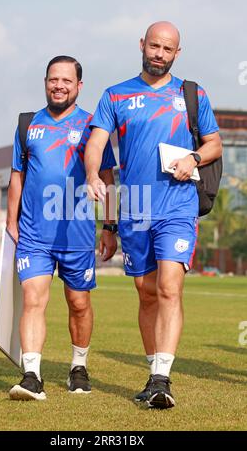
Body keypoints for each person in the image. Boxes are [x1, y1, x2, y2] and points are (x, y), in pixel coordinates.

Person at [85, 22, 222, 409]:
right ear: (142, 45)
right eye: (154, 46)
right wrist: (94, 176)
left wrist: (193, 157)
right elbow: (96, 142)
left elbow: (214, 144)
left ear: (177, 53)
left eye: (168, 49)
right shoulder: (116, 95)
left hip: (178, 208)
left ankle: (162, 378)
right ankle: (153, 374)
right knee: (145, 293)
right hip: (135, 211)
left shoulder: (192, 94)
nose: (159, 54)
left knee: (168, 288)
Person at [7, 56, 117, 401]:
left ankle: (78, 367)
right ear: (45, 82)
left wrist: (109, 226)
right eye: (54, 79)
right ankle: (31, 376)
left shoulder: (92, 126)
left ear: (79, 86)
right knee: (33, 299)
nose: (59, 86)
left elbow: (109, 179)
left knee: (79, 302)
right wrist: (11, 221)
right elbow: (17, 176)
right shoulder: (28, 124)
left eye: (67, 81)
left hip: (77, 235)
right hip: (34, 233)